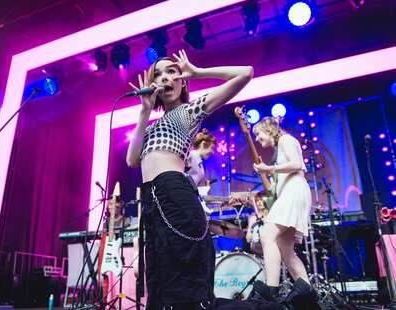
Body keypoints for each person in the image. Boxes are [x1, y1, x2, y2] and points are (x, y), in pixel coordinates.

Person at [126, 50, 262, 309]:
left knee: (188, 288)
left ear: (182, 81)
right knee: (160, 285)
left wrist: (198, 72)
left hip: (175, 192)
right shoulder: (151, 126)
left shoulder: (188, 111)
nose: (164, 77)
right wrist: (144, 112)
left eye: (171, 72)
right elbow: (132, 160)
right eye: (158, 74)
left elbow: (245, 73)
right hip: (152, 201)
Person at [250, 117, 317, 306]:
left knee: (266, 234)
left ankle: (271, 289)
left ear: (269, 130)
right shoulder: (279, 150)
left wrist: (269, 169)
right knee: (285, 248)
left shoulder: (286, 140)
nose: (257, 139)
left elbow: (297, 164)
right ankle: (307, 293)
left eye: (258, 134)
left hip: (294, 192)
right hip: (292, 193)